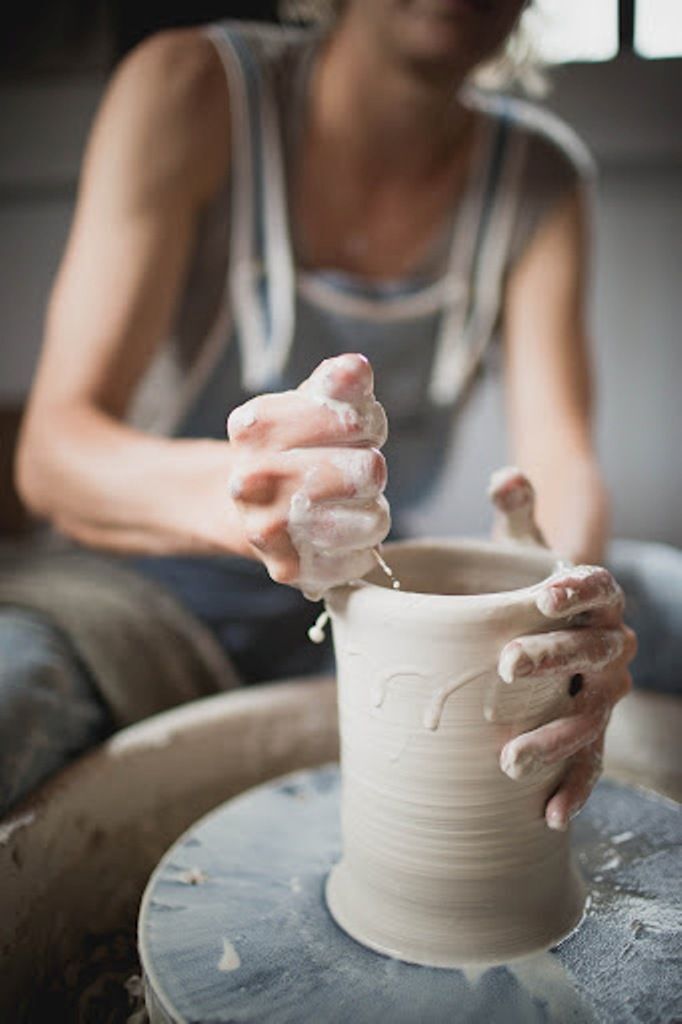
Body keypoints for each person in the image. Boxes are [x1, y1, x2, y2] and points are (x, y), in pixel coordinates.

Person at [1, 0, 651, 822]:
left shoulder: (541, 177)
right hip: (142, 590)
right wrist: (248, 498)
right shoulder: (191, 88)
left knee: (651, 600)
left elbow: (561, 461)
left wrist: (565, 605)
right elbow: (51, 457)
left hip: (369, 585)